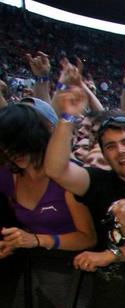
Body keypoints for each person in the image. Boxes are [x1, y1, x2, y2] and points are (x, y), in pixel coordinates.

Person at [43, 85, 125, 270]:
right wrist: (67, 117)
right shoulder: (98, 182)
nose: (120, 150)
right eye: (110, 146)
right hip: (103, 279)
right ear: (104, 154)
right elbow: (55, 170)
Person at [0, 102, 96, 258]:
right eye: (6, 147)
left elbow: (88, 238)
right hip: (32, 265)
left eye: (20, 145)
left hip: (74, 264)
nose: (14, 153)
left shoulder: (67, 177)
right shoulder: (7, 175)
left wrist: (37, 240)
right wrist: (11, 242)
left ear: (36, 138)